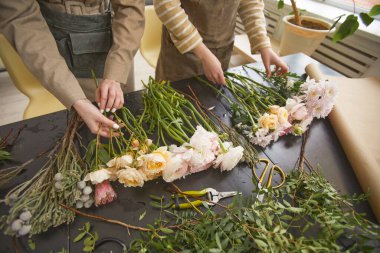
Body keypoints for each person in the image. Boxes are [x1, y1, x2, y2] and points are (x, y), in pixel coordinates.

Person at [0, 0, 145, 137]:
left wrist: (116, 72)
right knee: (84, 136)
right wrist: (76, 99)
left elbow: (130, 6)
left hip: (117, 47)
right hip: (55, 55)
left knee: (127, 124)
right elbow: (21, 19)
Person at [154, 0, 288, 84]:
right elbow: (166, 5)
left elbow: (250, 3)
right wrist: (203, 53)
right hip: (182, 54)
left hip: (222, 49)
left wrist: (263, 45)